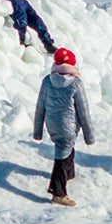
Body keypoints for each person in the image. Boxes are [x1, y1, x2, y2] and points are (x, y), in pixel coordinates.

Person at [32, 47, 93, 207]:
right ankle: (58, 192)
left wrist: (38, 131)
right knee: (62, 153)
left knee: (65, 146)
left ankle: (68, 174)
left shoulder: (47, 80)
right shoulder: (76, 83)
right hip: (68, 125)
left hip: (52, 123)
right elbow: (83, 111)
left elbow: (40, 106)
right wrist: (89, 135)